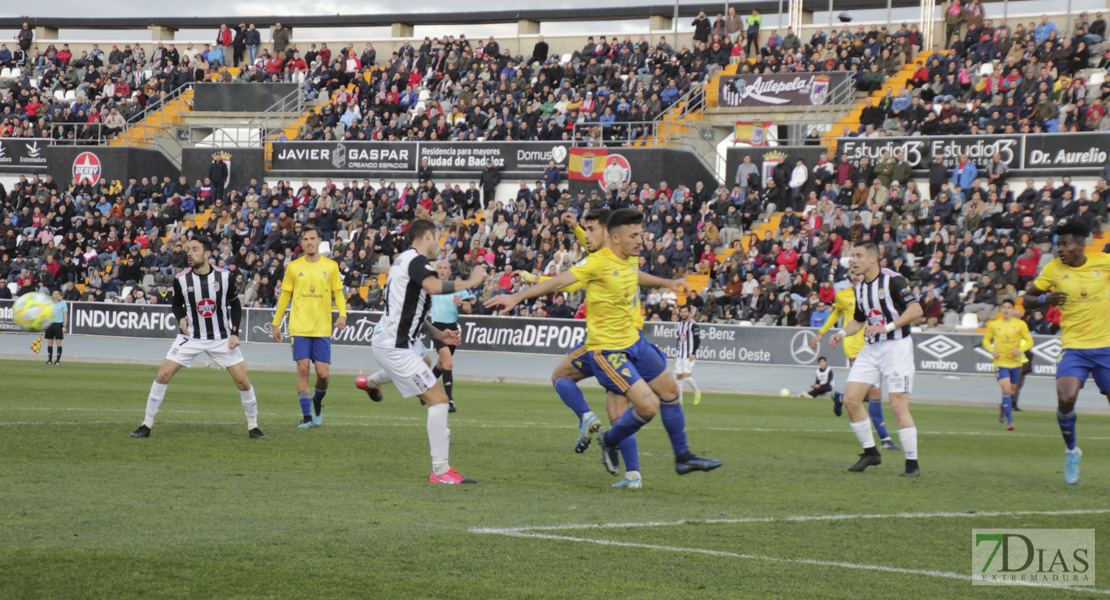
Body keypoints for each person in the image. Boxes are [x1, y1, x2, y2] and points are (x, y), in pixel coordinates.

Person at [486, 209, 722, 478]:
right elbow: (559, 282)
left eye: (640, 234)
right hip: (609, 351)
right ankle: (610, 442)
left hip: (635, 342)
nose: (641, 240)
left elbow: (635, 275)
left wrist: (667, 282)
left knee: (670, 392)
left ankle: (683, 457)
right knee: (648, 407)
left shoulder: (629, 259)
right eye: (634, 235)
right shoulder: (597, 263)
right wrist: (517, 297)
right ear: (616, 239)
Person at [517, 209, 680, 489]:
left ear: (608, 234)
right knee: (620, 408)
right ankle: (632, 474)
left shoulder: (606, 260)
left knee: (563, 377)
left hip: (608, 345)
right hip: (629, 340)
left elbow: (568, 281)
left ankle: (587, 417)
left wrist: (530, 283)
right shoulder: (623, 257)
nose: (586, 234)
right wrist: (578, 230)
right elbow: (596, 250)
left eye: (591, 229)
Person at [354, 219, 487, 484]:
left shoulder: (403, 260)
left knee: (428, 375)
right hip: (396, 347)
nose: (441, 244)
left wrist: (438, 334)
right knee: (439, 400)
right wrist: (471, 281)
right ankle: (440, 471)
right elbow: (434, 287)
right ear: (427, 235)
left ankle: (370, 383)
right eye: (438, 237)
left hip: (391, 341)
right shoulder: (417, 262)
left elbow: (411, 309)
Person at [130, 235, 266, 440]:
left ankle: (253, 427)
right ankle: (146, 424)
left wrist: (235, 333)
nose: (189, 253)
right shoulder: (181, 278)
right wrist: (180, 319)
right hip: (191, 336)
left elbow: (235, 305)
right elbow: (176, 304)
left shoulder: (225, 277)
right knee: (162, 375)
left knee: (243, 382)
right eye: (188, 249)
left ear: (207, 254)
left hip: (221, 337)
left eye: (194, 249)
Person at [1024, 221, 1110, 485]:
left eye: (1065, 244)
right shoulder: (1053, 269)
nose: (1059, 249)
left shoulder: (1104, 263)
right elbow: (1028, 297)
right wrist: (1042, 300)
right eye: (1058, 244)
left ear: (1081, 246)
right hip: (1074, 346)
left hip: (1106, 347)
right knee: (1065, 398)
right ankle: (1072, 451)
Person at [828, 242, 922, 477]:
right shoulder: (859, 287)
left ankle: (912, 464)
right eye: (852, 256)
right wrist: (841, 333)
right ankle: (871, 452)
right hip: (872, 349)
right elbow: (859, 321)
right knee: (850, 400)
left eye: (858, 256)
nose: (853, 260)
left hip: (897, 347)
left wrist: (887, 327)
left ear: (873, 259)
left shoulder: (894, 280)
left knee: (898, 405)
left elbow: (916, 310)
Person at [271, 224, 347, 428]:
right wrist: (276, 323)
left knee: (323, 374)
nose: (309, 242)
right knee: (303, 369)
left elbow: (338, 292)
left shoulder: (330, 266)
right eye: (305, 239)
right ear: (301, 242)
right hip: (299, 327)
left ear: (319, 241)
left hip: (322, 328)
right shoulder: (294, 267)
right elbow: (285, 295)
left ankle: (317, 401)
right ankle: (306, 417)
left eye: (312, 238)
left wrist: (343, 314)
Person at [812, 276, 900, 450]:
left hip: (875, 346)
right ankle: (885, 439)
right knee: (875, 391)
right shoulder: (844, 295)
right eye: (855, 273)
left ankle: (840, 397)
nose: (859, 276)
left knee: (866, 394)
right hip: (855, 347)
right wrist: (822, 332)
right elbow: (836, 313)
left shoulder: (876, 293)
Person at [429, 259, 475, 413]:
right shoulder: (431, 286)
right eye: (440, 268)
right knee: (448, 362)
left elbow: (469, 309)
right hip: (437, 328)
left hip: (453, 328)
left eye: (445, 268)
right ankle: (449, 401)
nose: (442, 270)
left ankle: (423, 389)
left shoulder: (458, 288)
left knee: (441, 365)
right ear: (436, 270)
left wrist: (462, 304)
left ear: (450, 271)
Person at [981, 299, 1032, 431]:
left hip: (1015, 362)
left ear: (1013, 309)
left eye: (1009, 307)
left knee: (1012, 392)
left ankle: (1003, 407)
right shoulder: (994, 325)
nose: (1006, 310)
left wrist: (1020, 350)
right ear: (1001, 309)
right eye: (1004, 307)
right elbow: (986, 340)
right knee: (1006, 389)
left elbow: (1030, 341)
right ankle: (1010, 421)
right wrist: (992, 351)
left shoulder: (1020, 325)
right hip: (1000, 362)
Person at [675, 304, 701, 405]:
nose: (683, 313)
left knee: (686, 377)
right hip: (680, 354)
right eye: (682, 312)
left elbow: (697, 339)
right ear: (680, 313)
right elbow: (679, 338)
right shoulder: (679, 324)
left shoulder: (693, 325)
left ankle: (697, 392)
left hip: (689, 354)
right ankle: (680, 399)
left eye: (686, 312)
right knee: (678, 376)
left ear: (689, 313)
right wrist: (677, 351)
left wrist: (693, 353)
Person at [44, 289, 67, 365]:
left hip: (58, 324)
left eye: (57, 294)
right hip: (50, 324)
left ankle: (57, 360)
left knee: (58, 342)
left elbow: (65, 315)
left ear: (59, 295)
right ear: (52, 295)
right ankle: (49, 359)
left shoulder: (63, 303)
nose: (56, 295)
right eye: (55, 293)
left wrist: (64, 325)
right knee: (49, 342)